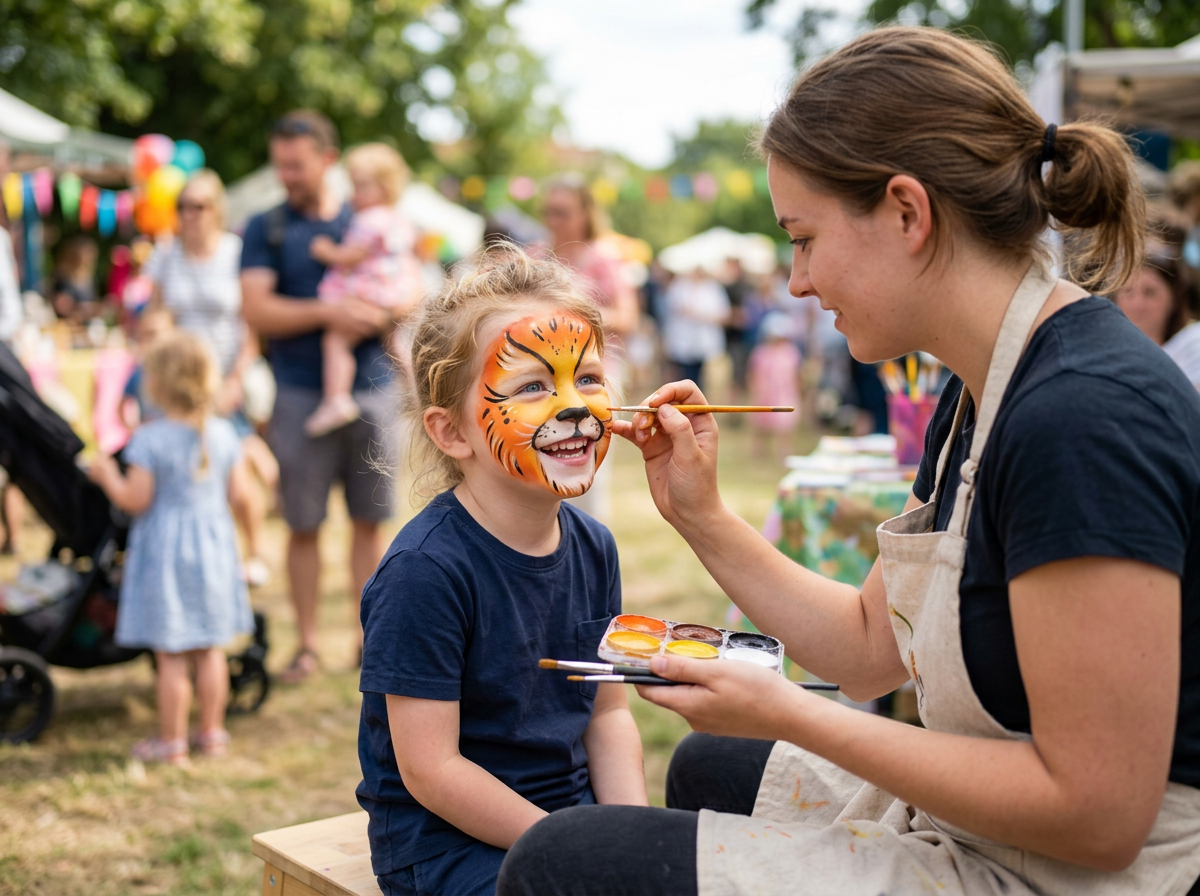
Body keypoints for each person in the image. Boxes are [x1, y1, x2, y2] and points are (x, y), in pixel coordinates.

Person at [497, 26, 1200, 896]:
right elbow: (871, 651)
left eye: (803, 237)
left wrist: (793, 713)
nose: (795, 281)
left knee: (558, 863)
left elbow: (1097, 813)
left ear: (907, 212)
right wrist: (702, 517)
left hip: (1088, 876)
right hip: (992, 832)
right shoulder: (984, 385)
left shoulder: (1085, 419)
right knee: (716, 764)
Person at [357, 248, 646, 896]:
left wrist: (626, 836)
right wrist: (572, 849)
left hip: (568, 824)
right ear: (451, 432)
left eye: (589, 379)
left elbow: (607, 716)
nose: (573, 407)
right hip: (444, 845)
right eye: (534, 387)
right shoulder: (425, 572)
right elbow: (432, 770)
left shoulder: (594, 546)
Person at [240, 110, 399, 683]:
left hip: (376, 391)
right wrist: (330, 312)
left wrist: (381, 311)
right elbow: (256, 309)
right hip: (300, 394)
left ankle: (369, 643)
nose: (286, 175)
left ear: (327, 160)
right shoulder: (268, 227)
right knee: (302, 524)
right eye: (280, 164)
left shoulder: (371, 215)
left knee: (369, 523)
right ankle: (306, 645)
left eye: (296, 165)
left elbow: (417, 289)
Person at [87, 331, 252, 766]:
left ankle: (172, 742)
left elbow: (135, 500)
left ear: (157, 383)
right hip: (213, 553)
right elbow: (240, 494)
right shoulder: (222, 434)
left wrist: (107, 477)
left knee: (173, 655)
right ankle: (212, 734)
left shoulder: (149, 439)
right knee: (210, 649)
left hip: (166, 558)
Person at [146, 168, 278, 587]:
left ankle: (255, 550)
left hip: (221, 378)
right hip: (177, 383)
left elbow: (249, 324)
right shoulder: (166, 254)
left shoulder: (234, 252)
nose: (190, 214)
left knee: (235, 469)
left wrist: (236, 378)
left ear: (216, 210)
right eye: (182, 206)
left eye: (198, 206)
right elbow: (155, 311)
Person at [539, 174, 639, 522]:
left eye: (562, 212)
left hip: (592, 378)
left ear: (585, 213)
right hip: (541, 380)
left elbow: (628, 316)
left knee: (586, 474)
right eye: (548, 211)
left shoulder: (603, 257)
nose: (553, 220)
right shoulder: (535, 255)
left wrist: (573, 317)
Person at [306, 142, 421, 436]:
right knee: (395, 342)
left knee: (336, 341)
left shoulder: (367, 220)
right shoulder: (398, 218)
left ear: (383, 188)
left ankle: (336, 399)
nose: (352, 194)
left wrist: (326, 251)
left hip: (369, 292)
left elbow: (352, 256)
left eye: (359, 187)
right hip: (393, 291)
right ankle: (417, 390)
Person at [660, 266, 731, 391]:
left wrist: (701, 315)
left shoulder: (713, 288)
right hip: (683, 346)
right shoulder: (679, 287)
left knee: (706, 383)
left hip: (707, 347)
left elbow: (723, 314)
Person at [746, 311, 801, 461]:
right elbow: (754, 373)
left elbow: (795, 374)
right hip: (765, 392)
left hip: (784, 393)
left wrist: (797, 389)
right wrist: (756, 389)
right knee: (761, 424)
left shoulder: (790, 352)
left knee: (784, 424)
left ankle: (784, 451)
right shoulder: (761, 352)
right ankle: (758, 451)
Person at [51, 235, 99, 322]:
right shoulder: (62, 277)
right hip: (66, 324)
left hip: (85, 323)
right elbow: (59, 304)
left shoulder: (89, 278)